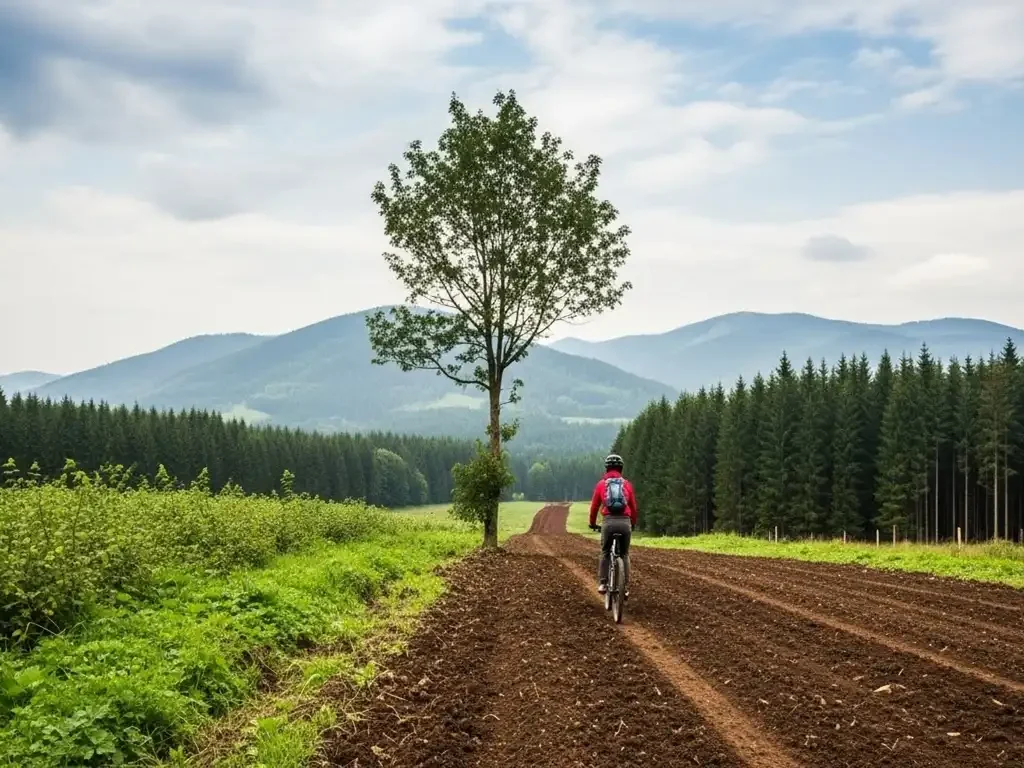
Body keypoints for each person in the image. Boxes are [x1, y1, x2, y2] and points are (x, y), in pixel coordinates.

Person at [588, 453, 637, 596]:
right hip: (625, 522)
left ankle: (603, 583)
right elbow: (634, 507)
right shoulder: (627, 484)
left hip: (608, 522)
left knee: (605, 552)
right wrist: (632, 523)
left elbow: (594, 507)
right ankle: (625, 587)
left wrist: (592, 523)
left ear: (606, 468)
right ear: (621, 468)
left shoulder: (601, 485)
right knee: (625, 554)